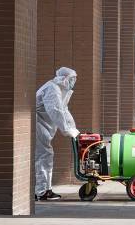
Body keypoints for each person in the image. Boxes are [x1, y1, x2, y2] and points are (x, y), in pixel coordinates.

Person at [35, 67, 80, 201]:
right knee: (44, 155)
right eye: (72, 79)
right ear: (64, 78)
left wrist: (73, 129)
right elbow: (55, 111)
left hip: (43, 126)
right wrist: (66, 129)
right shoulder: (52, 89)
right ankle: (42, 192)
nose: (74, 82)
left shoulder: (61, 91)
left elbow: (64, 110)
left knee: (44, 155)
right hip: (38, 124)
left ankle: (43, 190)